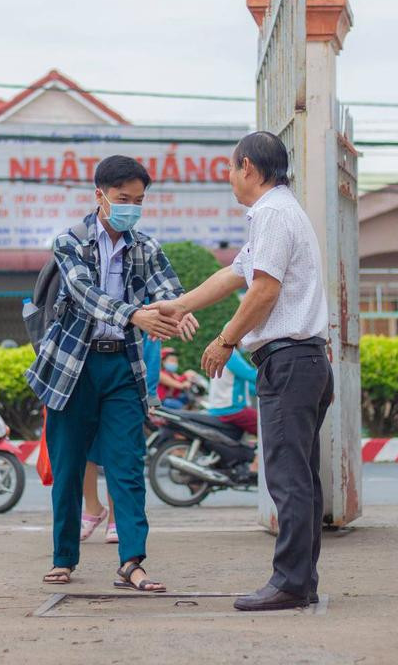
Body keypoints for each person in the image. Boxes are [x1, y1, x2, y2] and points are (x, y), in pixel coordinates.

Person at [152, 131, 332, 612]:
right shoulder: (276, 213)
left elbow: (264, 290)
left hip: (291, 361)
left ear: (248, 167)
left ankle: (291, 582)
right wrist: (177, 305)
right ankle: (301, 580)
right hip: (305, 362)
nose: (230, 178)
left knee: (289, 478)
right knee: (300, 477)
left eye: (232, 169)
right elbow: (235, 274)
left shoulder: (272, 213)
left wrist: (225, 338)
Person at [25, 155, 195, 592]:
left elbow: (168, 290)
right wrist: (135, 314)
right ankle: (63, 557)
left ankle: (132, 562)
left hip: (121, 366)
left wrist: (179, 312)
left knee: (127, 465)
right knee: (67, 467)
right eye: (123, 199)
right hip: (71, 367)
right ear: (99, 195)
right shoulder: (70, 242)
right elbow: (85, 294)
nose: (132, 208)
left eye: (139, 201)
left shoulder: (145, 247)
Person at [82, 335, 162, 545]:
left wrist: (150, 393)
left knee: (118, 450)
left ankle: (115, 518)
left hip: (125, 377)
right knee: (81, 446)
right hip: (84, 372)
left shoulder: (143, 302)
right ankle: (92, 507)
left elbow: (152, 345)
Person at [205, 349, 260, 435]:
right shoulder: (231, 355)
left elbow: (246, 386)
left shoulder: (221, 353)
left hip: (218, 408)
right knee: (267, 425)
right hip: (232, 409)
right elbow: (252, 375)